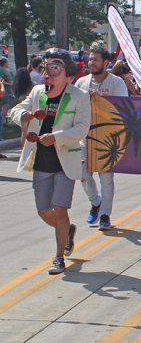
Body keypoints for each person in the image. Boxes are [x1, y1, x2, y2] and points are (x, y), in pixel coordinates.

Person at [10, 48, 91, 274]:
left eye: (54, 68)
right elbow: (16, 109)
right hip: (41, 162)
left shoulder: (79, 96)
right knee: (44, 211)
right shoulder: (37, 92)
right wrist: (23, 116)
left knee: (60, 208)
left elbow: (82, 129)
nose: (47, 73)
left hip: (65, 162)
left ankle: (58, 257)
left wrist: (56, 137)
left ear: (69, 76)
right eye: (45, 67)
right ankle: (66, 231)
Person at [75, 46, 128, 230]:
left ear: (106, 62)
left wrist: (101, 99)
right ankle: (95, 202)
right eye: (90, 59)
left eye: (96, 59)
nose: (92, 62)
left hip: (107, 139)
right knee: (82, 174)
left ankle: (105, 214)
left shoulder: (116, 83)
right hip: (84, 136)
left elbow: (123, 108)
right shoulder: (81, 82)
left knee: (106, 178)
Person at [13, 68, 34, 148]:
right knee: (31, 131)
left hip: (21, 110)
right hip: (30, 108)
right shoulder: (31, 85)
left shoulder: (16, 87)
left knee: (24, 133)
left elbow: (16, 97)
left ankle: (23, 152)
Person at [0, 58, 14, 127]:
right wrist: (10, 84)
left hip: (9, 91)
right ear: (4, 63)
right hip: (4, 91)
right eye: (7, 62)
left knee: (6, 106)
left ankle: (3, 121)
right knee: (6, 106)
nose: (8, 63)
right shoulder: (1, 71)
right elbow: (2, 82)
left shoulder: (8, 71)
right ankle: (2, 122)